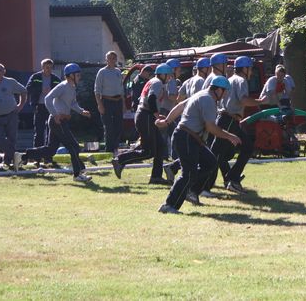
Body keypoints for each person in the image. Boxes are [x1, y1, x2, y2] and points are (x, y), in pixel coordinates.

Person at [156, 76, 241, 214]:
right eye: (225, 91)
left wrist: (166, 121)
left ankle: (192, 191)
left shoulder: (200, 94)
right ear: (218, 89)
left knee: (210, 163)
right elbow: (211, 127)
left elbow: (179, 107)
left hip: (191, 137)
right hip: (187, 137)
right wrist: (230, 136)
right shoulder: (208, 99)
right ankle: (169, 205)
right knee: (188, 173)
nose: (225, 95)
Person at [201, 56, 266, 195]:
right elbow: (243, 100)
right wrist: (260, 101)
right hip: (229, 120)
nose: (251, 72)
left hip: (227, 119)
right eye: (250, 68)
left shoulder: (229, 79)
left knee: (244, 148)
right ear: (245, 68)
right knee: (217, 155)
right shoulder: (241, 80)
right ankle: (204, 186)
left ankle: (232, 178)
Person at [22, 64, 93, 182]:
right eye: (78, 75)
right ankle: (77, 174)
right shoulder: (63, 86)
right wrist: (55, 114)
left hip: (60, 121)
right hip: (57, 121)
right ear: (71, 75)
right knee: (74, 146)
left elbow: (73, 103)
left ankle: (24, 156)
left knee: (51, 150)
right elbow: (47, 98)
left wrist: (82, 111)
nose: (79, 77)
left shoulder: (72, 87)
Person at [111, 64, 173, 184]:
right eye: (168, 75)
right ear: (162, 74)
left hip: (145, 115)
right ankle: (120, 160)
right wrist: (156, 114)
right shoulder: (157, 83)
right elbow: (151, 98)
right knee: (149, 151)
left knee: (160, 146)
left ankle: (156, 177)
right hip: (146, 116)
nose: (169, 78)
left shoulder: (152, 81)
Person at [0, 63, 27, 170]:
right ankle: (17, 155)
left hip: (11, 114)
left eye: (0, 70)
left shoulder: (10, 82)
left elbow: (23, 91)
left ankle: (7, 162)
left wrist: (20, 105)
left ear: (4, 71)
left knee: (12, 139)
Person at [26, 58, 61, 157]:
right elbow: (28, 88)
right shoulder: (35, 77)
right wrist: (41, 90)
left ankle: (48, 155)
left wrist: (52, 91)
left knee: (52, 132)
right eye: (47, 67)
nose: (49, 69)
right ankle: (36, 155)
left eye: (50, 67)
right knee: (39, 131)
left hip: (51, 108)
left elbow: (62, 91)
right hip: (39, 106)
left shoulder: (55, 79)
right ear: (42, 67)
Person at [94, 51, 125, 157]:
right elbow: (97, 90)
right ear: (106, 59)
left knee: (119, 126)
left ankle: (115, 148)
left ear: (116, 60)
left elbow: (121, 89)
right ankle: (109, 150)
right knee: (109, 127)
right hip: (106, 101)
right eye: (109, 58)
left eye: (113, 58)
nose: (111, 60)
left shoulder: (118, 72)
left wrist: (124, 104)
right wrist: (100, 104)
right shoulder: (102, 72)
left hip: (118, 101)